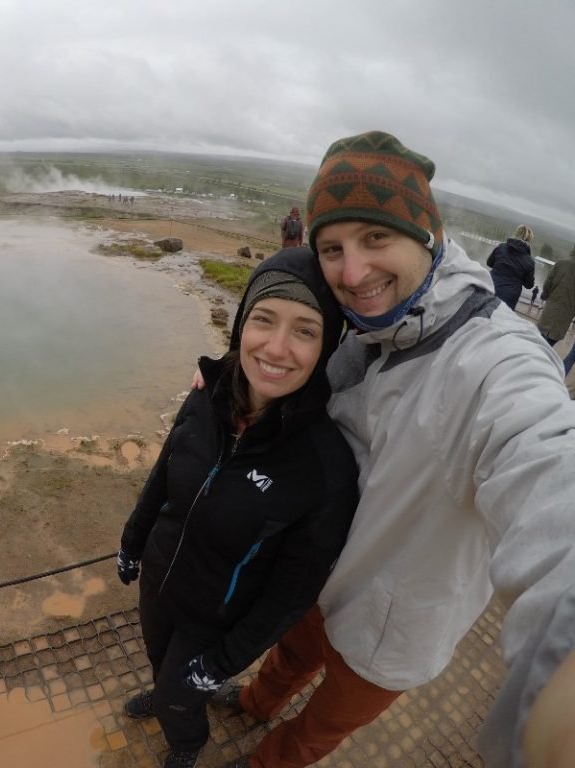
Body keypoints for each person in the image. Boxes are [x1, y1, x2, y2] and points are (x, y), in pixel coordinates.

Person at [193, 131, 575, 768]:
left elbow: (546, 464)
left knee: (317, 730)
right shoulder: (368, 332)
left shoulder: (495, 359)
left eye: (376, 238)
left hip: (393, 632)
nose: (352, 272)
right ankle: (255, 704)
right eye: (332, 248)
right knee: (285, 663)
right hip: (320, 579)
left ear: (427, 236)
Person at [116, 248, 358, 768]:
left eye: (305, 330)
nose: (276, 347)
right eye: (263, 320)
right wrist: (132, 543)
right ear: (242, 324)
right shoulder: (206, 395)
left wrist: (225, 661)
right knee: (162, 665)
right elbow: (164, 474)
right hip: (160, 577)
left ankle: (186, 740)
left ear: (326, 348)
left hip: (217, 616)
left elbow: (291, 594)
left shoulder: (324, 466)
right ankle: (166, 696)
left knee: (184, 693)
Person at [537, 246, 575, 377]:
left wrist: (545, 295)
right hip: (565, 316)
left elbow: (548, 283)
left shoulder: (561, 263)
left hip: (551, 309)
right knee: (547, 346)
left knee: (539, 342)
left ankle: (531, 368)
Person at [487, 224, 536, 309]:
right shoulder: (529, 261)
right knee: (499, 320)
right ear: (529, 240)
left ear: (516, 234)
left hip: (489, 286)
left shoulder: (501, 247)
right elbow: (529, 285)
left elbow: (489, 263)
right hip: (508, 297)